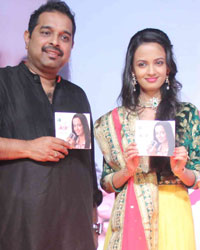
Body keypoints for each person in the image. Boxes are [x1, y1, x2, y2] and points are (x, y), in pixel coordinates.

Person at [0, 2, 101, 250]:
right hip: (18, 230)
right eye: (46, 33)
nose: (55, 42)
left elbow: (87, 167)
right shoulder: (4, 82)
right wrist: (27, 148)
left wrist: (94, 224)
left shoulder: (78, 95)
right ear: (28, 37)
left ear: (71, 46)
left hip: (74, 233)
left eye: (64, 37)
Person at [94, 28, 200, 250]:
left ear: (168, 67)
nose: (151, 71)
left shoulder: (187, 114)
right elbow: (106, 181)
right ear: (132, 70)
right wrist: (127, 171)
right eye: (142, 64)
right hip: (130, 213)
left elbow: (197, 176)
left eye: (159, 62)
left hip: (174, 213)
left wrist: (181, 171)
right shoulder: (117, 120)